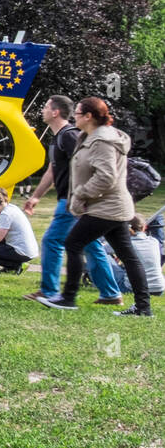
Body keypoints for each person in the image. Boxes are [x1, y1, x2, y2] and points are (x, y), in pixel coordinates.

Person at [41, 97, 152, 316]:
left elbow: (106, 176)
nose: (75, 117)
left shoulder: (102, 140)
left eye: (79, 113)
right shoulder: (90, 137)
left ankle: (68, 298)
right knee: (127, 255)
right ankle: (143, 308)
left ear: (89, 116)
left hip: (107, 207)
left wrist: (81, 194)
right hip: (112, 207)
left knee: (72, 243)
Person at [21, 96, 121, 304]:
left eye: (46, 107)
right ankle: (111, 294)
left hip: (72, 201)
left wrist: (84, 195)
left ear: (56, 112)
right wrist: (36, 197)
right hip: (70, 200)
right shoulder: (57, 137)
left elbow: (89, 164)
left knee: (52, 240)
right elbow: (52, 169)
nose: (43, 111)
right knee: (91, 245)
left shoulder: (70, 136)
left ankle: (49, 291)